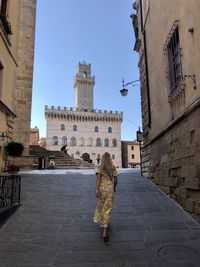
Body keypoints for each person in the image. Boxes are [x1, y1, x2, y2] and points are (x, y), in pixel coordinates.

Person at [93, 152, 118, 242]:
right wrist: (114, 188)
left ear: (102, 158)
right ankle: (105, 230)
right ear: (110, 158)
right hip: (110, 189)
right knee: (108, 208)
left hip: (102, 189)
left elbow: (98, 179)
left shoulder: (100, 167)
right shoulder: (113, 167)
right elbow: (116, 179)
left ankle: (103, 224)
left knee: (102, 205)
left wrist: (96, 189)